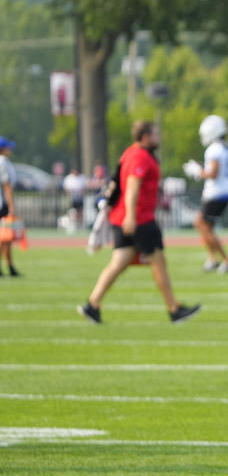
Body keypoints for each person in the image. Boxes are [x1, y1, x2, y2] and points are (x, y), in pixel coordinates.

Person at [77, 121, 200, 324]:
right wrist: (132, 216)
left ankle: (92, 305)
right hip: (138, 218)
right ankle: (174, 309)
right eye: (155, 134)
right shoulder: (140, 156)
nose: (158, 137)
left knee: (119, 263)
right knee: (158, 261)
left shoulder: (131, 152)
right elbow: (133, 186)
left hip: (125, 216)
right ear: (144, 136)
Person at [183, 114, 228, 273]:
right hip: (226, 191)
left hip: (214, 193)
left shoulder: (214, 149)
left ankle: (226, 260)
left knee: (201, 225)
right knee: (207, 227)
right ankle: (213, 259)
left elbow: (213, 173)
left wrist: (197, 171)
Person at [0, 137, 20, 277]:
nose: (10, 149)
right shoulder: (2, 162)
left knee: (6, 238)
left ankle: (10, 265)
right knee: (4, 237)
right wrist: (11, 207)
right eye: (8, 147)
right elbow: (6, 185)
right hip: (2, 205)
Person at [61, 168, 87, 233]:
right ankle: (73, 226)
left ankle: (80, 226)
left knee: (80, 212)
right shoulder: (69, 178)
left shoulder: (82, 177)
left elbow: (84, 187)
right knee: (72, 212)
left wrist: (80, 191)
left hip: (80, 198)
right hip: (72, 198)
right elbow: (66, 187)